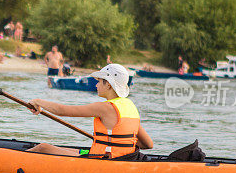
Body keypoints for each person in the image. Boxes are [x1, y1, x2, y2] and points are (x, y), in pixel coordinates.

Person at [26, 64, 154, 158]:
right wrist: (119, 143)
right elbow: (148, 144)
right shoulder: (130, 106)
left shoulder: (104, 108)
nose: (96, 85)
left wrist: (37, 101)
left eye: (99, 81)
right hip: (121, 158)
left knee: (43, 147)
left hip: (105, 161)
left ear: (108, 85)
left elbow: (62, 110)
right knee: (74, 150)